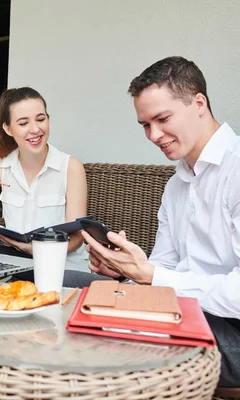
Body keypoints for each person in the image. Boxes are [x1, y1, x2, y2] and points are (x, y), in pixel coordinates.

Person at [70, 56, 240, 387]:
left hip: (232, 331)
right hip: (182, 310)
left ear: (199, 103)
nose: (153, 135)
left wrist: (151, 276)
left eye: (162, 119)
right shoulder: (176, 185)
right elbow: (162, 268)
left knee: (105, 325)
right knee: (58, 287)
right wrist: (124, 271)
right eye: (146, 124)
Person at [0, 87, 89, 271]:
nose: (35, 129)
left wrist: (36, 249)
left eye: (41, 119)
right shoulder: (0, 166)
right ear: (8, 129)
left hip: (64, 266)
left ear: (48, 119)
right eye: (23, 123)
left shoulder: (71, 167)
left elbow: (77, 237)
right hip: (17, 264)